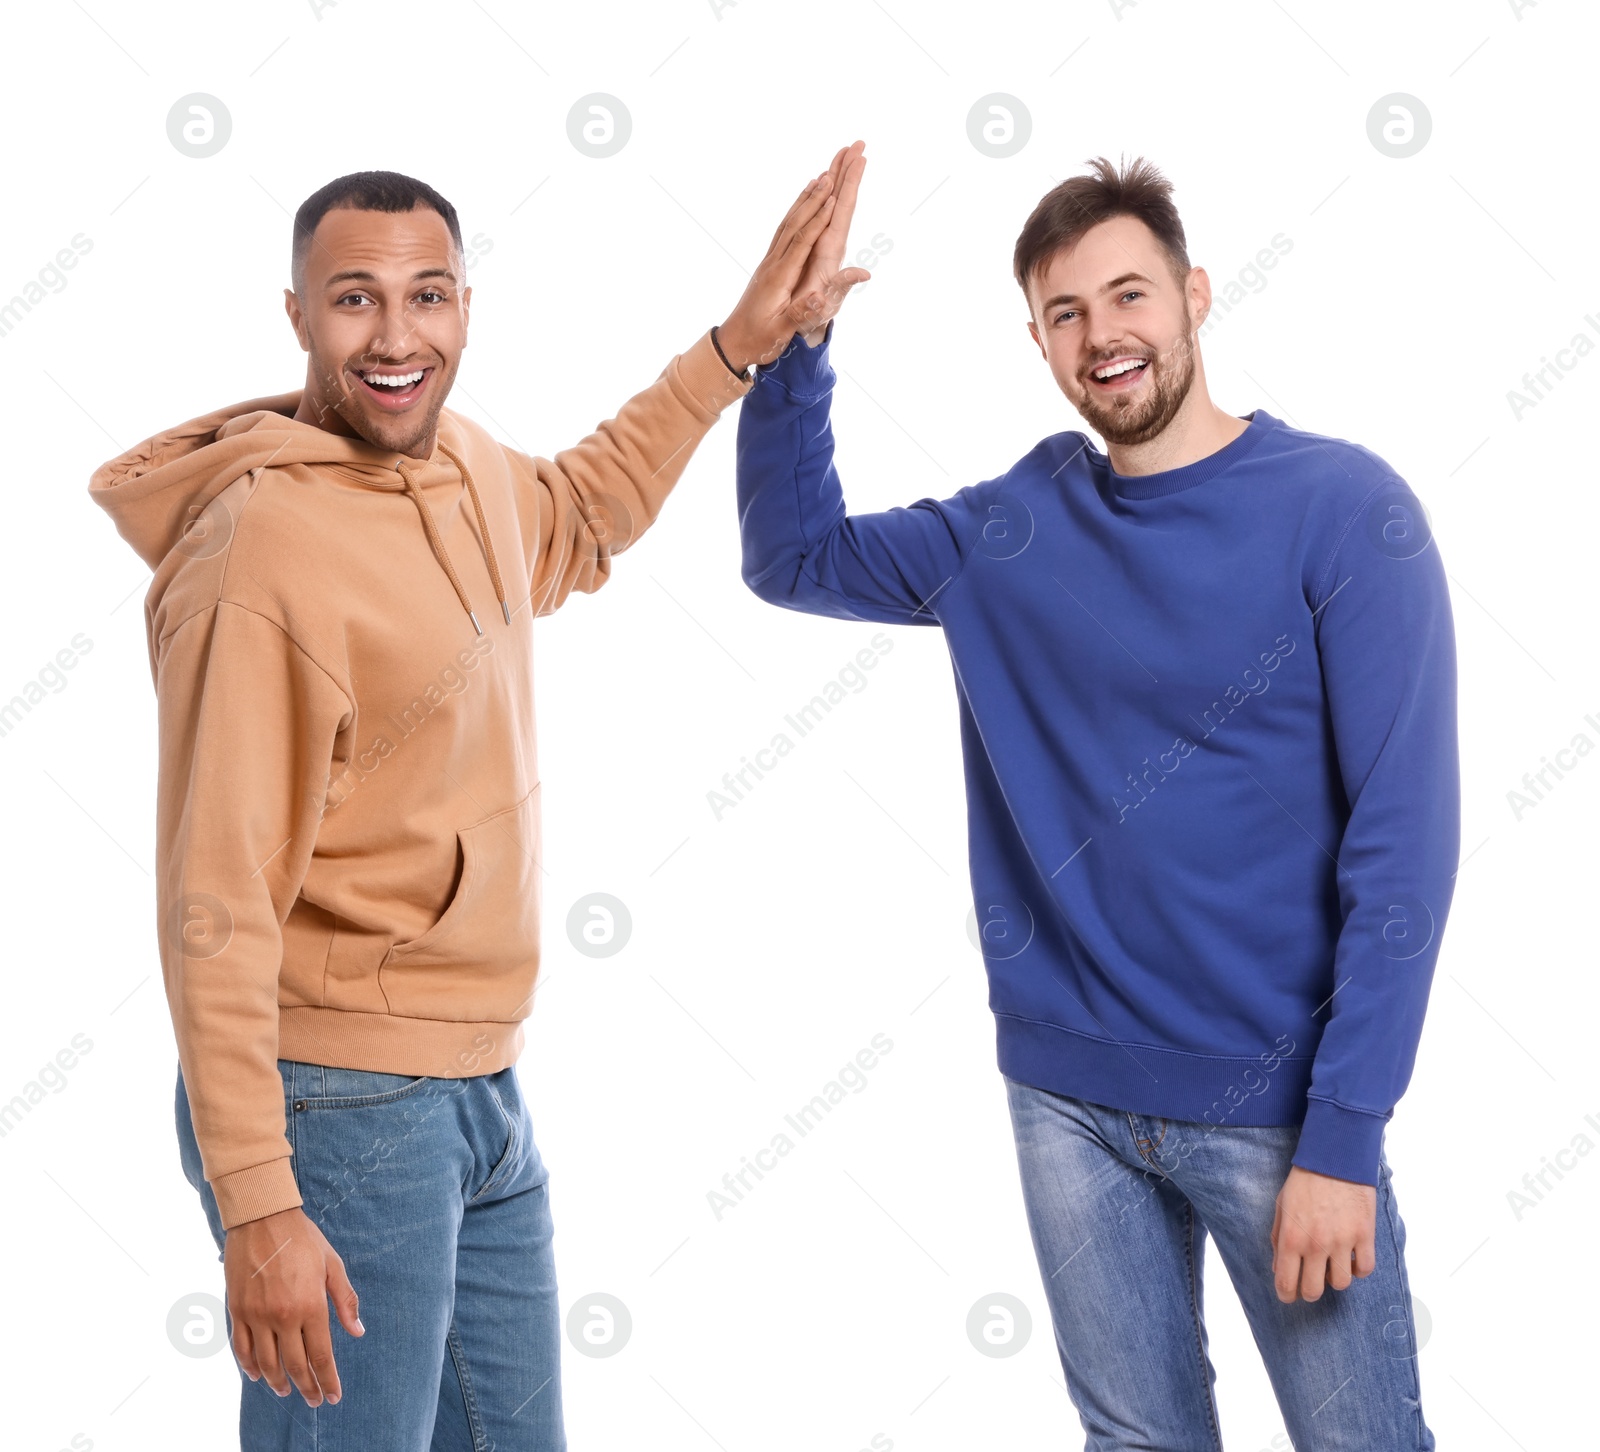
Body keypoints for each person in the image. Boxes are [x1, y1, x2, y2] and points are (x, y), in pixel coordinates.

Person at [88, 161, 848, 1450]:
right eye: (355, 300)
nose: (397, 338)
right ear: (297, 318)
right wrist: (260, 1202)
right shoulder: (259, 556)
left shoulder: (471, 471)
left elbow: (582, 510)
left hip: (481, 1090)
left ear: (466, 307)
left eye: (427, 296)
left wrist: (737, 348)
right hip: (335, 1104)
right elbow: (212, 901)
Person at [734, 143, 1455, 1449]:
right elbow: (796, 555)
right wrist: (793, 351)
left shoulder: (1343, 509)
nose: (1101, 335)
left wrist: (1345, 1138)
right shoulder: (1012, 526)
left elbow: (1404, 846)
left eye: (1128, 296)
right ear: (1037, 340)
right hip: (1067, 1099)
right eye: (1065, 313)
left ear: (1195, 295)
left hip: (1280, 1107)